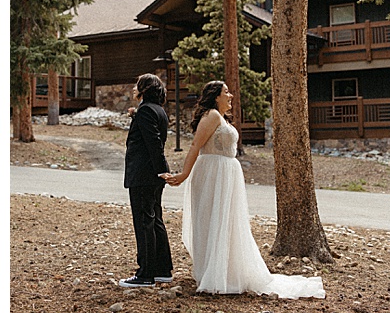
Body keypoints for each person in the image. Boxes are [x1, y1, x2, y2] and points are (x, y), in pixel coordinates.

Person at [162, 80, 325, 297]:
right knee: (213, 219)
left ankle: (227, 270)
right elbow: (195, 145)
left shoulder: (221, 119)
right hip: (212, 172)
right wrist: (183, 174)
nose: (230, 96)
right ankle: (212, 272)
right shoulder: (211, 116)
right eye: (226, 92)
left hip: (227, 173)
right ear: (215, 96)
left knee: (228, 221)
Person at [120, 73, 174, 288]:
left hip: (144, 175)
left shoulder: (146, 111)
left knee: (144, 222)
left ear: (144, 89)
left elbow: (154, 144)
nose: (134, 89)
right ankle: (162, 269)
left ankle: (145, 274)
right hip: (153, 175)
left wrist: (162, 171)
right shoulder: (158, 110)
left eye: (137, 85)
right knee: (155, 220)